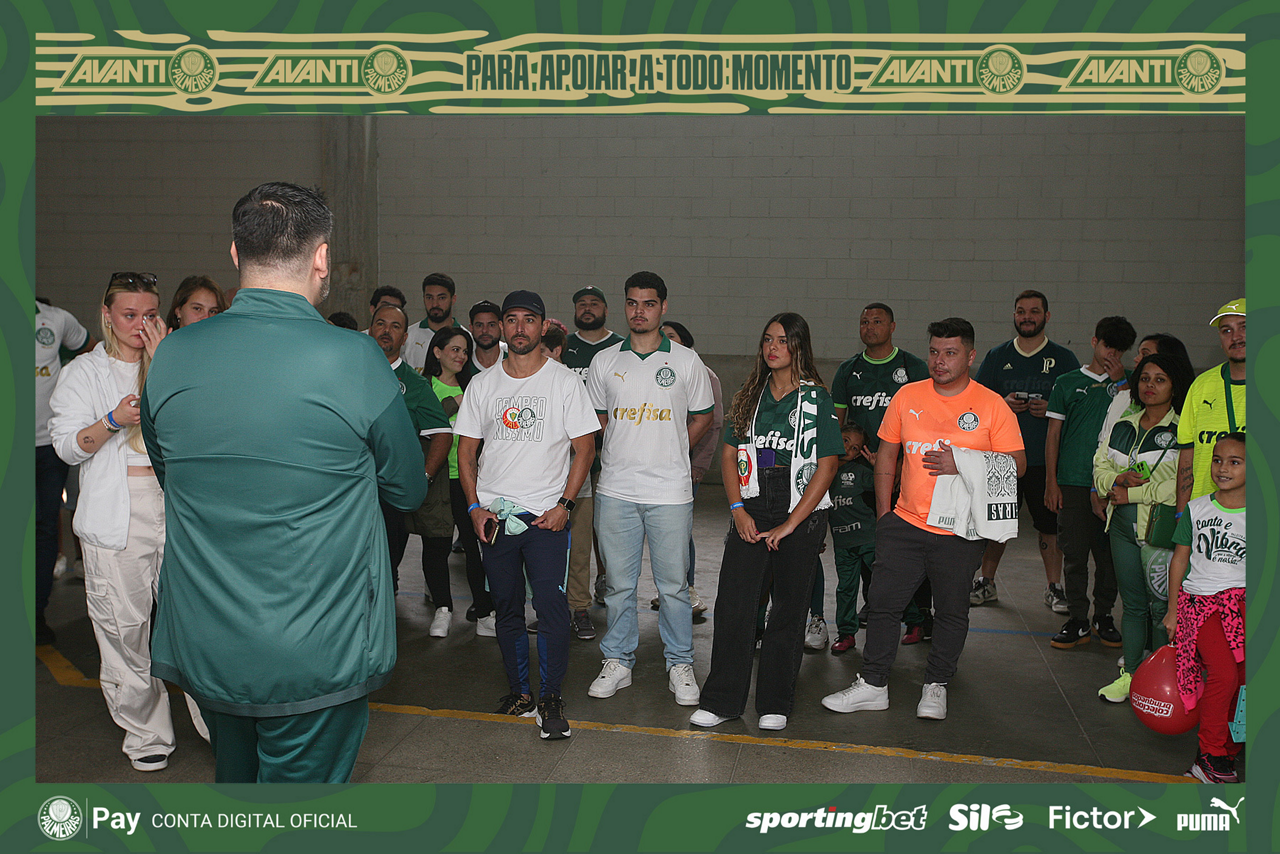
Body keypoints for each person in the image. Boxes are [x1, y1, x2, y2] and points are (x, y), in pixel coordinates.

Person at [141, 182, 428, 783]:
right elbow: (407, 488)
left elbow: (171, 473)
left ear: (235, 253)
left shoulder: (171, 356)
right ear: (321, 258)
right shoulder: (354, 358)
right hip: (317, 644)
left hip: (208, 637)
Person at [821, 317, 1024, 721]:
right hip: (905, 523)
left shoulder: (991, 405)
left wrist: (962, 462)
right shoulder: (907, 395)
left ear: (970, 356)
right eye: (933, 351)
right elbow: (887, 456)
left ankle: (936, 684)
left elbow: (1017, 465)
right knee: (882, 605)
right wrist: (885, 515)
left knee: (951, 612)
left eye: (950, 353)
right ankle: (873, 684)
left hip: (960, 531)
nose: (939, 360)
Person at [49, 271, 180, 771]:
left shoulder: (171, 361)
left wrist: (165, 366)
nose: (140, 325)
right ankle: (146, 733)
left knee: (191, 622)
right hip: (116, 512)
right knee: (125, 629)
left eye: (150, 315)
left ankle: (218, 726)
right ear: (106, 315)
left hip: (174, 506)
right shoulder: (84, 372)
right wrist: (112, 421)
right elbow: (67, 447)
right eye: (129, 315)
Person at [455, 290, 597, 740]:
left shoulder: (564, 382)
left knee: (552, 609)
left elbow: (585, 448)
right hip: (496, 520)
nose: (520, 328)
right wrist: (474, 508)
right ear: (501, 327)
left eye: (529, 320)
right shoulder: (482, 386)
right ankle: (520, 692)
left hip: (545, 519)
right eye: (511, 319)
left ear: (543, 327)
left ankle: (551, 696)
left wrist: (565, 506)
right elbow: (466, 453)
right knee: (507, 608)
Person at [691, 312, 841, 732]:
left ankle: (775, 702)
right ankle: (722, 701)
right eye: (768, 340)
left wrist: (791, 524)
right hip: (754, 501)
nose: (773, 347)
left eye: (783, 340)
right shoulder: (749, 396)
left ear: (799, 346)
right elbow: (728, 455)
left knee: (788, 610)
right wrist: (738, 510)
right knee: (734, 605)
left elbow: (828, 465)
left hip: (800, 508)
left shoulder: (816, 399)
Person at [585, 272, 715, 706]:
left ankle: (679, 663)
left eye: (649, 303)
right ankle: (618, 660)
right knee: (619, 585)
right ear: (625, 305)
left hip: (669, 493)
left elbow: (704, 416)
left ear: (663, 307)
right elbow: (598, 417)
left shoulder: (686, 361)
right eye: (632, 303)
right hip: (616, 489)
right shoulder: (605, 361)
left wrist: (676, 448)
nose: (639, 311)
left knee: (673, 586)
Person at [828, 302, 930, 652]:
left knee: (911, 546)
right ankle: (873, 607)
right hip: (864, 476)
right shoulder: (848, 370)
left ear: (892, 327)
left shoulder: (913, 367)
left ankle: (920, 616)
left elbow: (927, 420)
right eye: (864, 321)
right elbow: (836, 425)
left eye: (877, 321)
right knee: (870, 544)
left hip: (909, 470)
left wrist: (903, 464)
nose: (869, 327)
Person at [971, 290, 1080, 612]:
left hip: (1045, 461)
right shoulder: (997, 356)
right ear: (1014, 316)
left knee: (1049, 526)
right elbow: (976, 403)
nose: (1027, 317)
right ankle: (986, 582)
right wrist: (1002, 404)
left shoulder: (1063, 359)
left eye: (1034, 311)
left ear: (1047, 316)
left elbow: (1077, 407)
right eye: (1021, 311)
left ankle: (1054, 587)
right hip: (1002, 460)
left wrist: (1053, 408)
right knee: (997, 524)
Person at [1092, 353, 1193, 702]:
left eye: (1160, 379)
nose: (1150, 385)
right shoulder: (1124, 424)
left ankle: (1167, 681)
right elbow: (1099, 467)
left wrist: (1131, 493)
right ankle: (1131, 676)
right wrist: (1115, 481)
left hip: (1161, 531)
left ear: (1174, 386)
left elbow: (1182, 485)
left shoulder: (1182, 430)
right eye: (1145, 378)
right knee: (1133, 605)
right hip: (1121, 526)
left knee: (1162, 608)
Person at [1045, 316, 1136, 649]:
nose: (1112, 353)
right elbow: (1053, 434)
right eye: (1108, 345)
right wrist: (1051, 481)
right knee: (1074, 553)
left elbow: (1137, 419)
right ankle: (1078, 618)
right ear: (1095, 341)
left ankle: (1104, 615)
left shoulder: (1130, 385)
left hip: (1114, 482)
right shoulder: (1067, 382)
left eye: (1119, 349)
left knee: (1109, 556)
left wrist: (1122, 382)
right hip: (1073, 480)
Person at [1164, 433, 1245, 783]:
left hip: (1242, 606)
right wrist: (1172, 610)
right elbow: (1179, 560)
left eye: (1234, 462)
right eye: (1217, 460)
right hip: (1201, 605)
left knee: (1244, 682)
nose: (1222, 468)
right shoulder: (1197, 509)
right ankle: (1209, 754)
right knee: (1224, 675)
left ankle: (1227, 751)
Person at [367, 304, 452, 628]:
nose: (386, 331)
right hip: (352, 490)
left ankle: (382, 621)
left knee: (387, 559)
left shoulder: (414, 385)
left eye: (395, 326)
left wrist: (424, 476)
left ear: (405, 337)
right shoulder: (351, 373)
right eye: (380, 323)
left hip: (389, 492)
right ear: (370, 330)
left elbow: (442, 433)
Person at [423, 326, 497, 637]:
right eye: (455, 349)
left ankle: (484, 612)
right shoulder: (424, 386)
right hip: (437, 480)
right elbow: (422, 423)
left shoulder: (474, 386)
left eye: (465, 351)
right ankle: (442, 610)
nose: (461, 356)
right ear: (437, 352)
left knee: (474, 547)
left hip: (466, 480)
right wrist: (452, 404)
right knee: (436, 545)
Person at [562, 286, 625, 621]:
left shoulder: (620, 348)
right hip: (570, 458)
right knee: (578, 529)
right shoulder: (563, 346)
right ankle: (571, 595)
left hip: (610, 456)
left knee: (608, 528)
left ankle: (605, 579)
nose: (587, 308)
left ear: (606, 309)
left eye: (594, 303)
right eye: (581, 304)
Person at [654, 319, 723, 616]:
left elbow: (713, 424)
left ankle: (688, 587)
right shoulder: (654, 372)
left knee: (680, 530)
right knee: (658, 531)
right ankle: (667, 589)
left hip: (685, 466)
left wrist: (698, 466)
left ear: (686, 341)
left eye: (671, 336)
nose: (665, 341)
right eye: (662, 336)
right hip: (653, 465)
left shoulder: (704, 375)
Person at [36, 298, 94, 644]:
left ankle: (36, 613)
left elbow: (90, 348)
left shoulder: (56, 319)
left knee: (45, 527)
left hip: (47, 447)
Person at [1176, 300, 1245, 512]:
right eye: (1226, 331)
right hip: (1206, 514)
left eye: (1244, 327)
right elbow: (1187, 455)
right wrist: (1182, 513)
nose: (1236, 337)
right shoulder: (1202, 385)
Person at [824, 421, 877, 655]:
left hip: (869, 539)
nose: (848, 449)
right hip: (843, 544)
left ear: (858, 455)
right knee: (845, 588)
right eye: (845, 441)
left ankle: (913, 621)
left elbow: (887, 485)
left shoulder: (859, 473)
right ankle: (846, 634)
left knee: (884, 584)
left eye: (855, 448)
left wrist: (878, 468)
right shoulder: (823, 469)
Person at [1096, 333, 1193, 445]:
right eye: (1145, 379)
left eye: (1145, 354)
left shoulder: (1183, 421)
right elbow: (1103, 444)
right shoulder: (1123, 398)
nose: (1136, 359)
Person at [404, 272, 460, 373]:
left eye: (441, 298)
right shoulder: (407, 337)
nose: (435, 304)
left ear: (453, 299)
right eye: (429, 298)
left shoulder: (466, 338)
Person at [467, 299, 507, 373]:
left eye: (491, 325)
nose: (485, 330)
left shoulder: (513, 362)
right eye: (479, 325)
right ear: (471, 328)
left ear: (501, 327)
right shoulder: (462, 365)